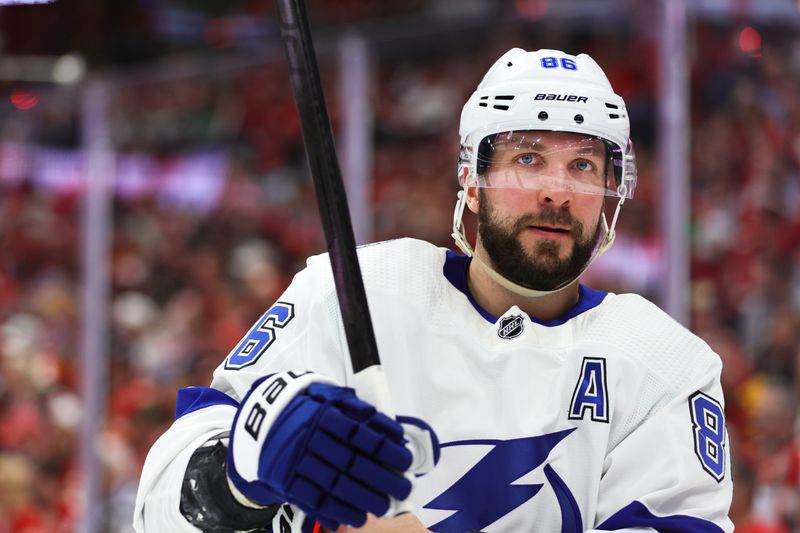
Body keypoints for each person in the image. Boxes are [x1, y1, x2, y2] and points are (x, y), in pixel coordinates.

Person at [133, 48, 733, 532]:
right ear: (471, 181)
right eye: (527, 159)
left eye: (581, 166)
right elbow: (157, 511)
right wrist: (239, 474)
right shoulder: (353, 292)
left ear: (612, 190)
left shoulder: (664, 366)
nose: (556, 191)